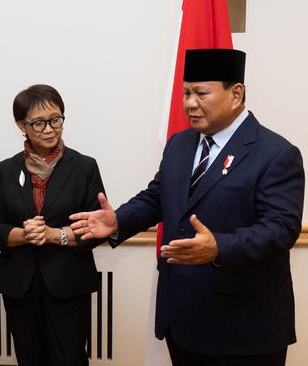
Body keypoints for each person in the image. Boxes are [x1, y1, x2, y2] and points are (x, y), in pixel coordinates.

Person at [70, 49, 305, 366]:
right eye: (185, 93)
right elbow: (158, 196)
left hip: (244, 330)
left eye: (200, 93)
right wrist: (118, 221)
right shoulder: (180, 144)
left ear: (236, 94)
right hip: (182, 322)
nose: (190, 103)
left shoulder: (276, 153)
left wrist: (218, 247)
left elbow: (281, 229)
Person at [0, 84, 106, 366]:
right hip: (19, 285)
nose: (49, 129)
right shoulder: (6, 170)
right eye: (39, 123)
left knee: (70, 358)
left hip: (68, 282)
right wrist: (26, 235)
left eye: (56, 119)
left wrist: (53, 235)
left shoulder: (85, 166)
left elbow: (96, 227)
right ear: (22, 125)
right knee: (29, 358)